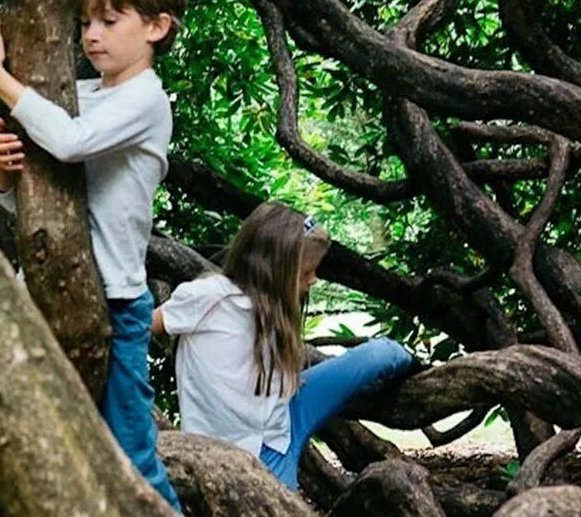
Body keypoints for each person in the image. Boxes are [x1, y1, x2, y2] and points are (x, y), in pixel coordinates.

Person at [0, 0, 188, 509]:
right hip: (42, 294)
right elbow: (26, 200)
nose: (91, 34)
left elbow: (71, 143)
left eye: (109, 21)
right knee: (34, 448)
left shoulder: (146, 100)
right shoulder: (74, 94)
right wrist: (2, 169)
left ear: (156, 27)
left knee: (132, 457)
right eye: (85, 22)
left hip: (117, 305)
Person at [153, 202, 415, 490]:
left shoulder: (274, 307)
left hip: (286, 417)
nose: (313, 280)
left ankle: (413, 364)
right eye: (306, 273)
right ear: (274, 269)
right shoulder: (209, 296)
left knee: (382, 354)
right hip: (251, 455)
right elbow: (134, 329)